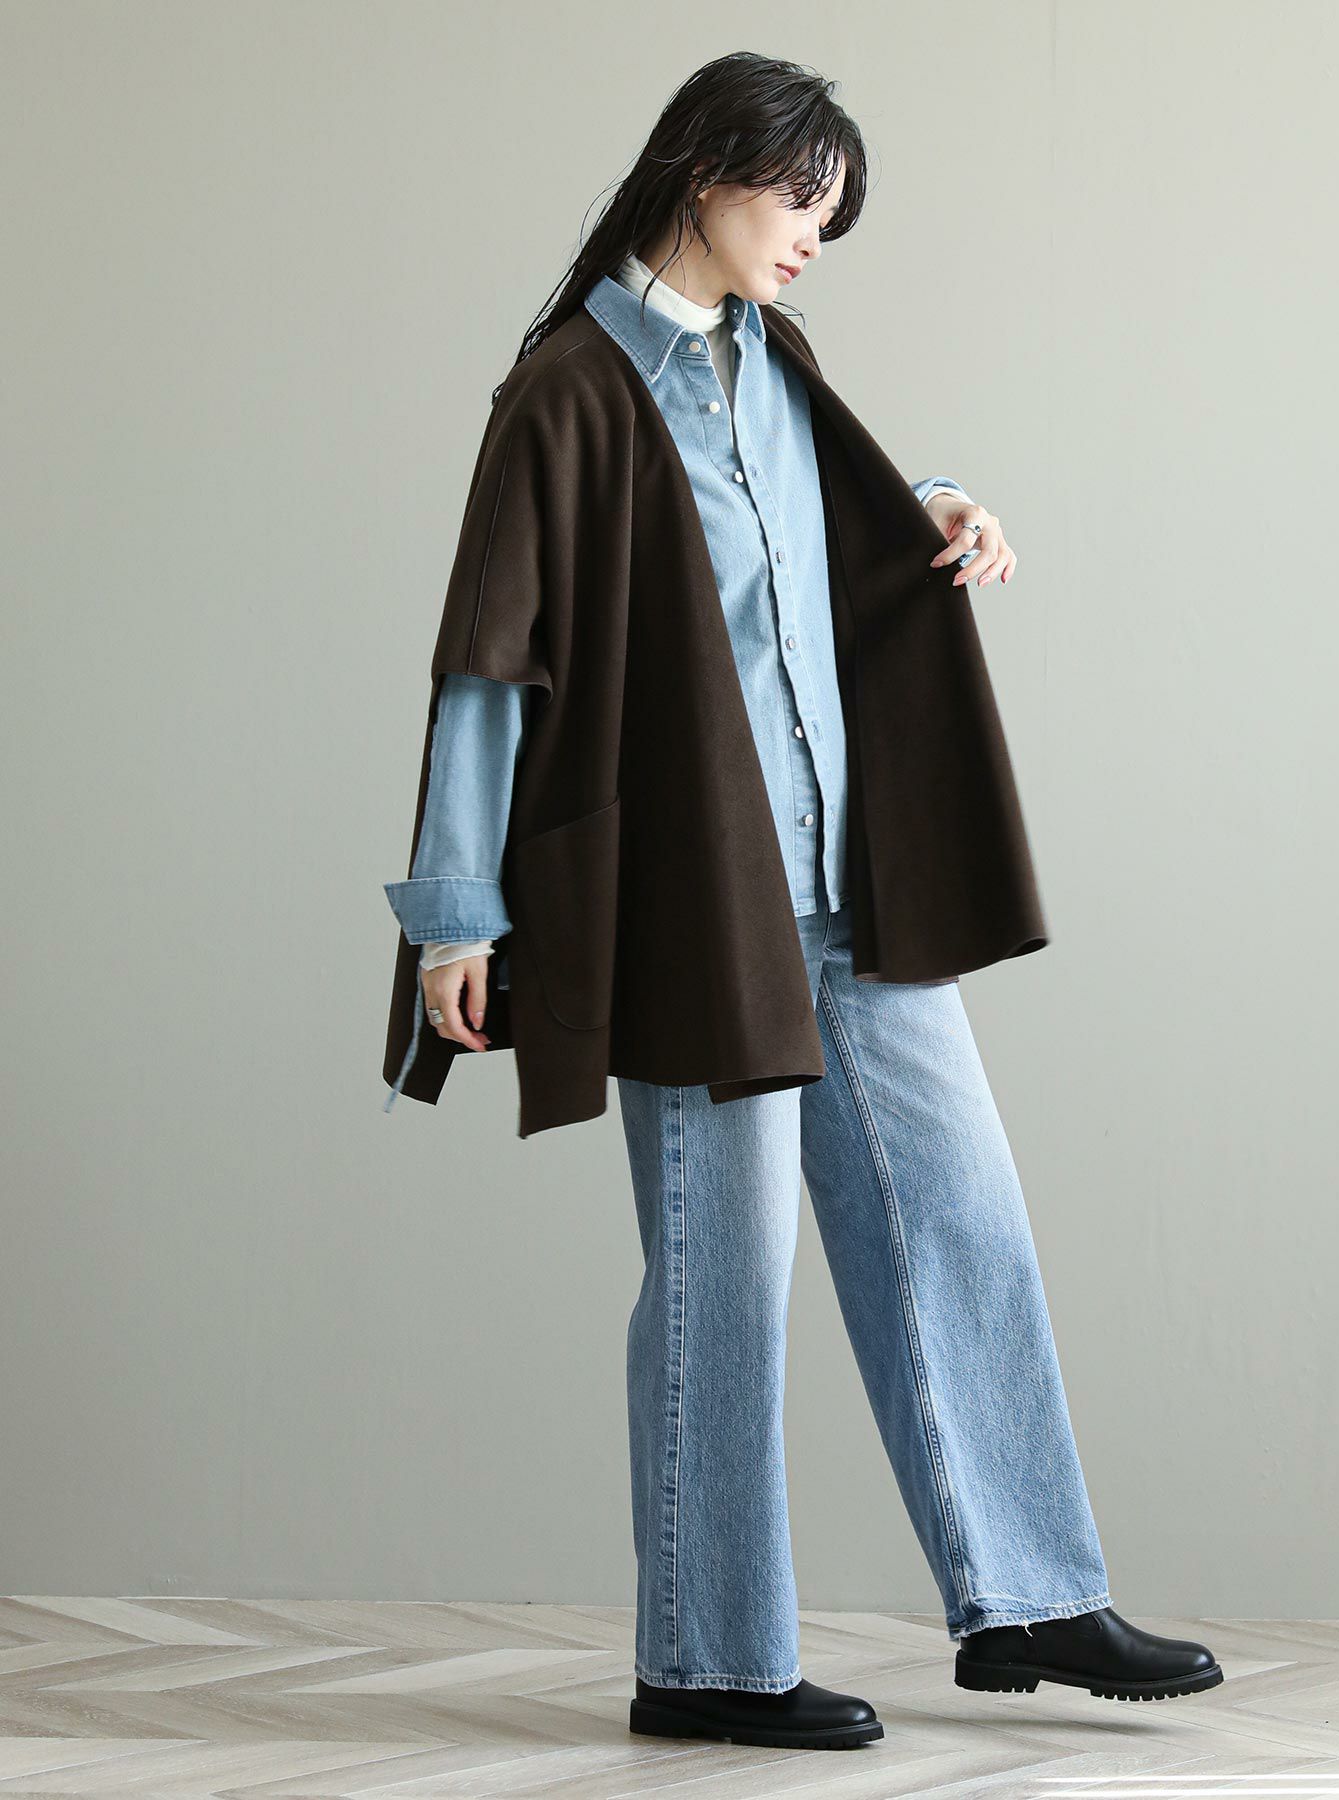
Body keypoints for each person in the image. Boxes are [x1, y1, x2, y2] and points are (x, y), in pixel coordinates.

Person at [381, 51, 1221, 1753]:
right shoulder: (568, 391)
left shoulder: (774, 357)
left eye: (831, 216)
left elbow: (807, 560)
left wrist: (935, 515)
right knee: (725, 1279)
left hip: (846, 885)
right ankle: (707, 1660)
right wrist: (455, 915)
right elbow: (488, 666)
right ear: (703, 171)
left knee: (963, 1218)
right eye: (796, 201)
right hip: (697, 906)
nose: (813, 240)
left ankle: (1027, 1596)